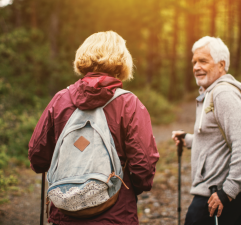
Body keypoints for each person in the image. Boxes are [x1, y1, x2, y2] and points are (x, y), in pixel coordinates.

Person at [28, 31, 159, 225]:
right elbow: (144, 167)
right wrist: (127, 187)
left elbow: (38, 158)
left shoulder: (60, 100)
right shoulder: (129, 103)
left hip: (65, 213)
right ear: (122, 61)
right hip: (115, 214)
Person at [172, 36, 241, 225]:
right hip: (212, 193)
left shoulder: (224, 94)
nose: (196, 67)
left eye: (203, 61)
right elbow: (217, 137)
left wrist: (228, 192)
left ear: (221, 64)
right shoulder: (210, 92)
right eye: (194, 62)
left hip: (218, 196)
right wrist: (189, 140)